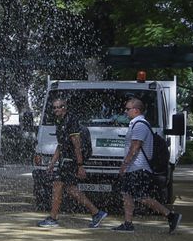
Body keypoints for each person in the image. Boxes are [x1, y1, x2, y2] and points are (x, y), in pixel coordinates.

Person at [112, 97, 182, 233]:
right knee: (127, 194)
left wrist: (124, 165)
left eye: (127, 109)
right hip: (134, 167)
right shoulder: (135, 124)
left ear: (136, 110)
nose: (125, 112)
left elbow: (135, 147)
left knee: (141, 196)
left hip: (139, 167)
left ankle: (171, 216)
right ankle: (128, 223)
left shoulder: (139, 125)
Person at [37, 98, 109, 228]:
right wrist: (52, 163)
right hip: (65, 160)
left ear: (65, 108)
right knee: (69, 189)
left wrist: (80, 165)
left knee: (59, 185)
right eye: (54, 107)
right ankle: (96, 212)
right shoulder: (59, 122)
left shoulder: (71, 120)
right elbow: (61, 145)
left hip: (71, 161)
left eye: (59, 107)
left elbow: (76, 144)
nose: (56, 109)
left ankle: (53, 218)